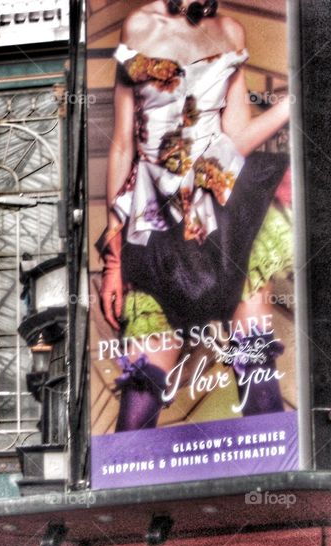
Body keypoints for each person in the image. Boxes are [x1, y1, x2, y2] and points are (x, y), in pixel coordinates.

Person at [98, 0, 293, 432]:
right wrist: (114, 258)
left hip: (223, 206)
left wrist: (292, 104)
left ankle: (274, 487)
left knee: (257, 367)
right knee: (140, 402)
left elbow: (236, 138)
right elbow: (120, 147)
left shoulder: (230, 31)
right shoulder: (139, 25)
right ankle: (131, 498)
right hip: (154, 220)